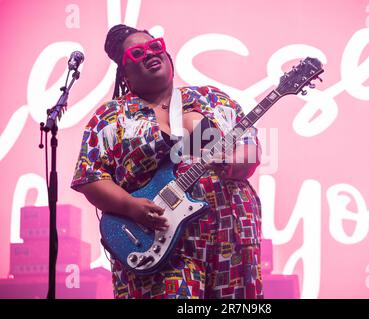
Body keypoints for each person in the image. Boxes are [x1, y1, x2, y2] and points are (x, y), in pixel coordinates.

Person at [71, 24, 263, 299]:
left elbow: (251, 150)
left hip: (231, 236)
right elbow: (90, 177)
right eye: (137, 53)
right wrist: (131, 206)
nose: (150, 54)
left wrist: (227, 159)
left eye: (155, 47)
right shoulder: (111, 117)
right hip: (158, 245)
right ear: (124, 73)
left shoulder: (212, 99)